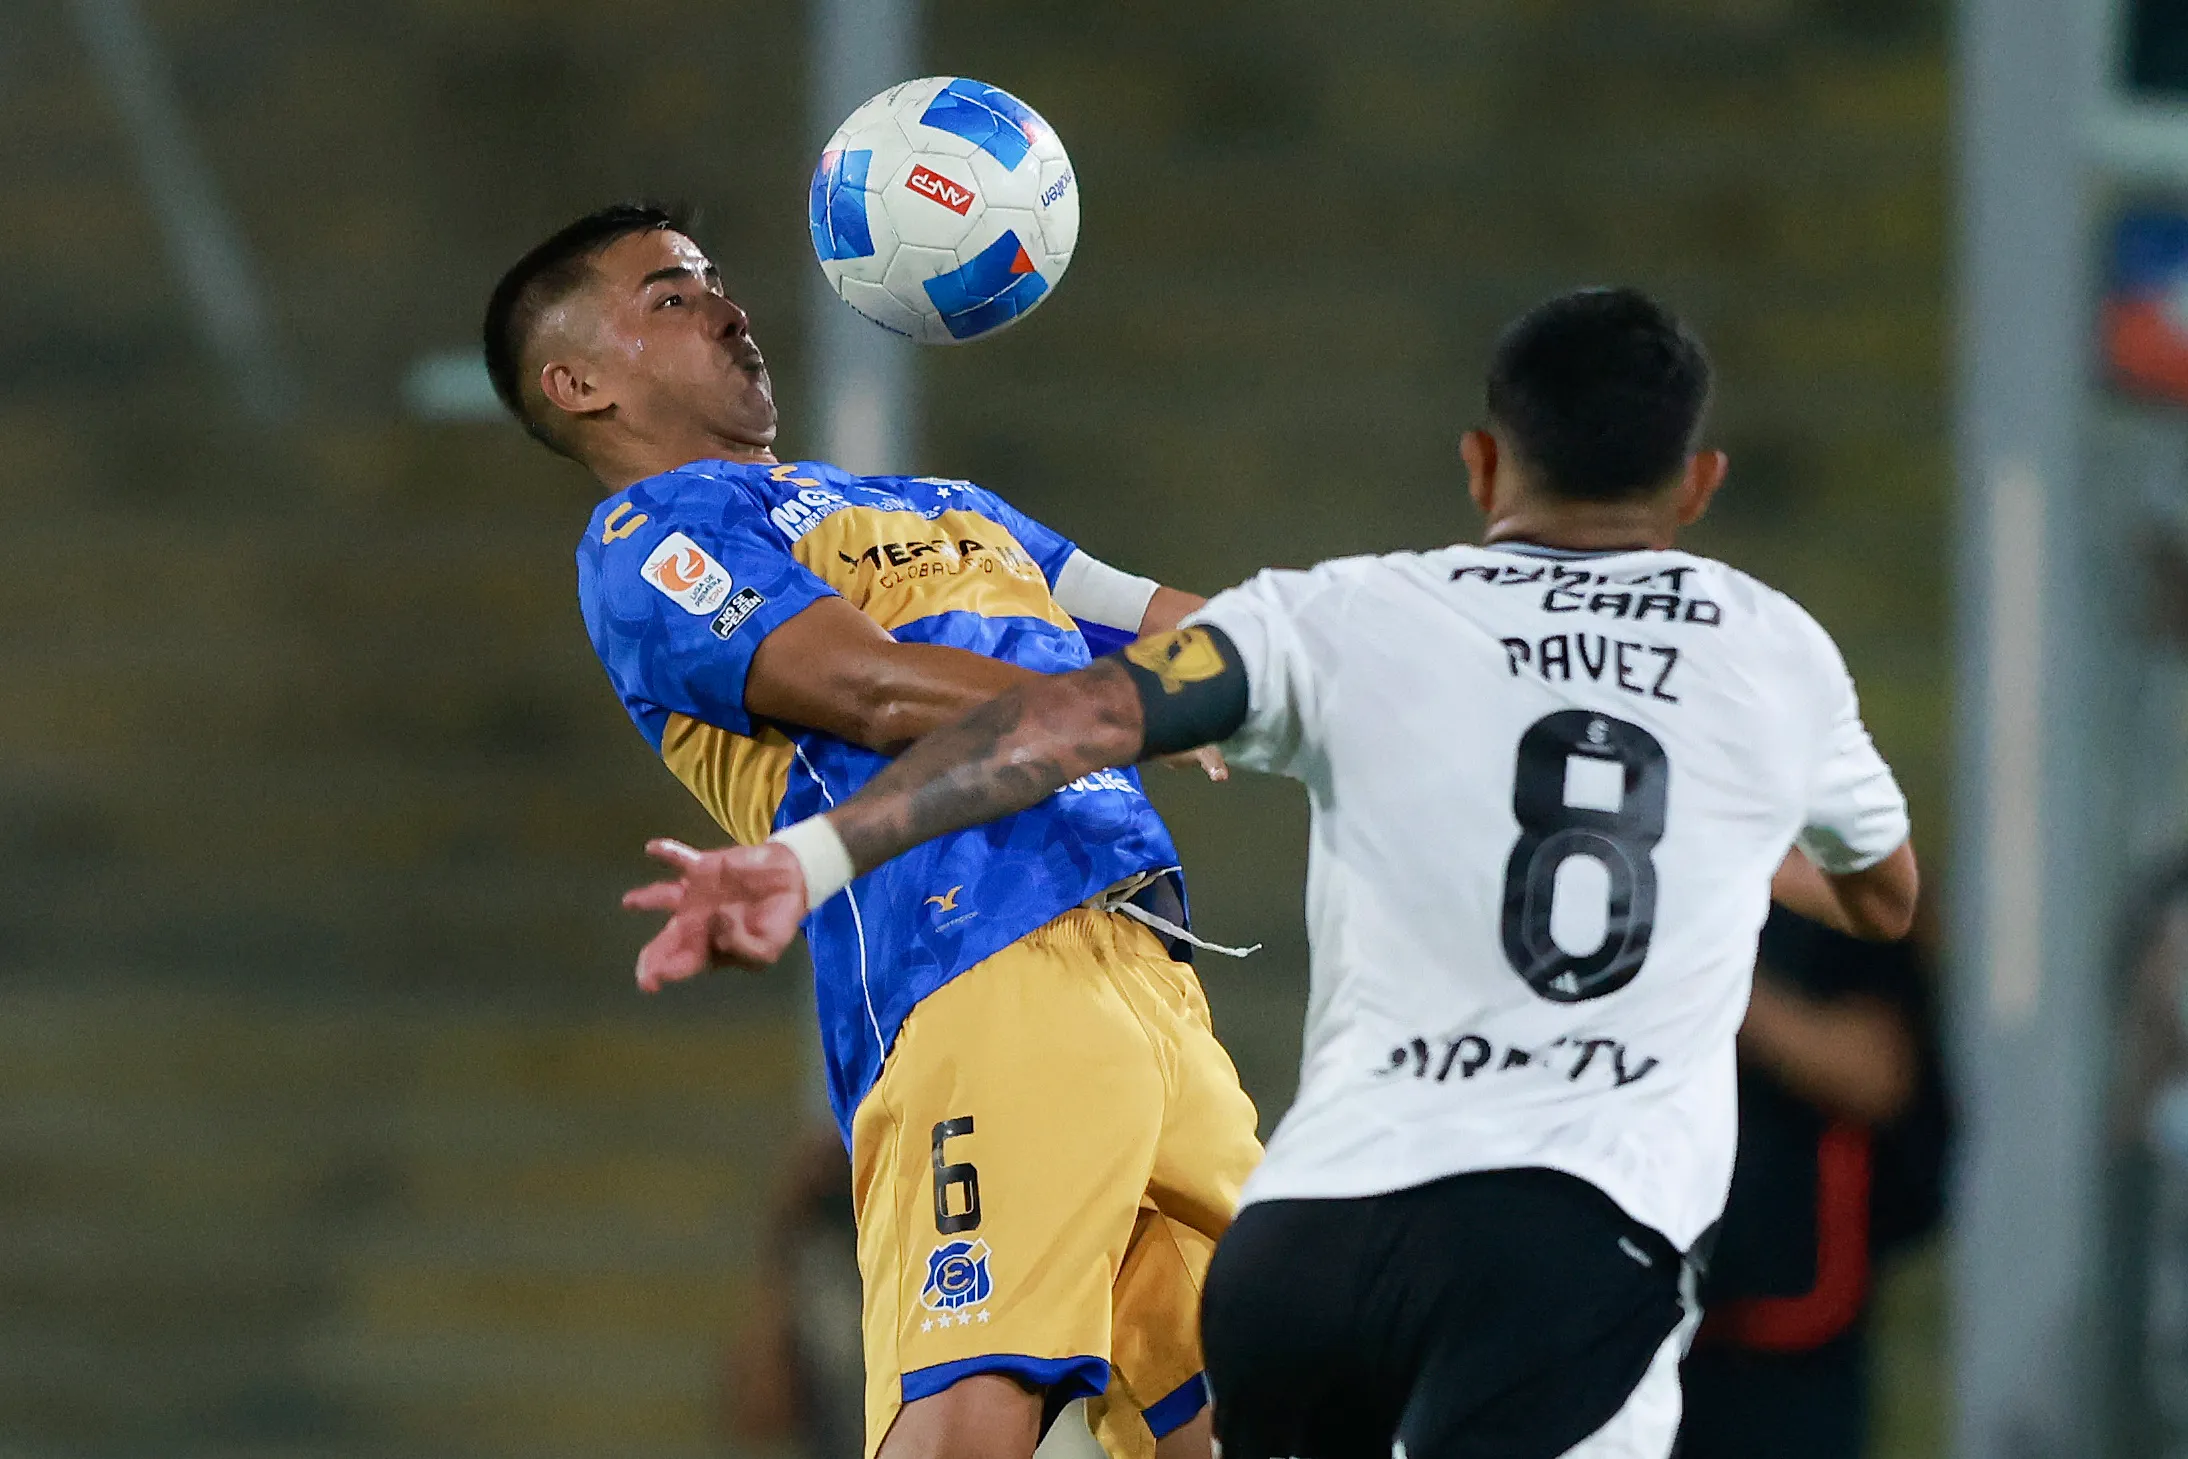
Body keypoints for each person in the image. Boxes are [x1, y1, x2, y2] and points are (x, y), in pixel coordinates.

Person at [622, 288, 1922, 1459]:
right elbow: (1884, 893)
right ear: (1697, 485)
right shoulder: (1766, 649)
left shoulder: (1353, 610)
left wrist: (811, 852)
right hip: (1569, 1232)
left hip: (1310, 1245)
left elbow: (1064, 719)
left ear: (1481, 463)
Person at [482, 204, 1263, 1459]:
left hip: (1152, 976)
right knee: (971, 1415)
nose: (729, 309)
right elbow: (871, 689)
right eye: (670, 297)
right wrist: (1141, 704)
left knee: (1262, 1410)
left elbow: (1188, 627)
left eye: (716, 281)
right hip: (974, 970)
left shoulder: (946, 504)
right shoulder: (655, 540)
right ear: (577, 384)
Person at [1676, 906, 1950, 1459]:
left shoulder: (1826, 885)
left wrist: (1722, 991)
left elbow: (1880, 1073)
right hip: (1624, 1306)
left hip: (1785, 1330)